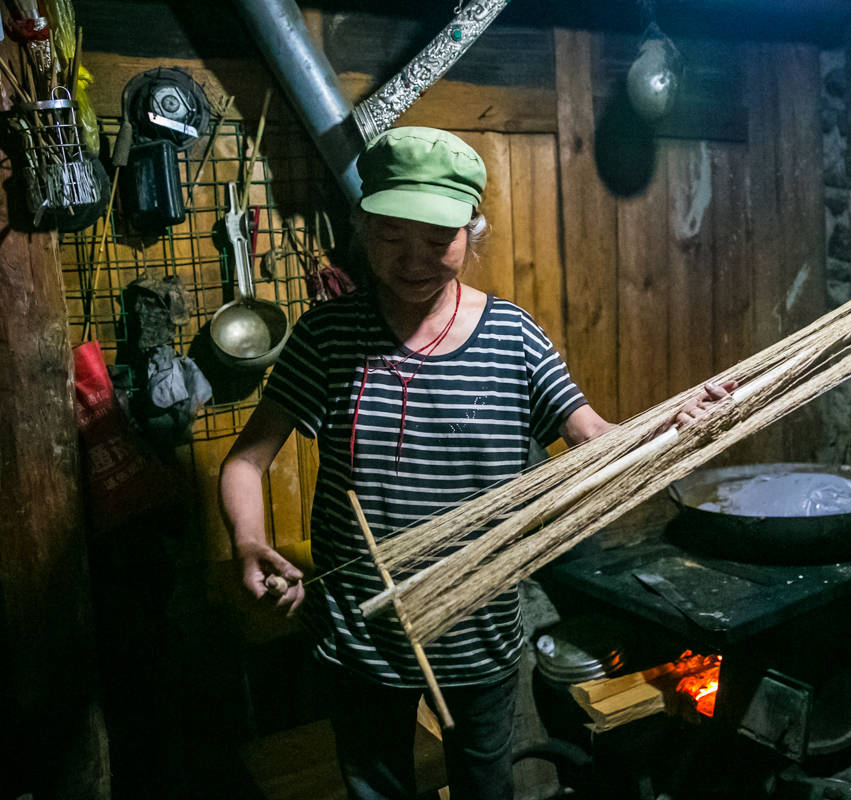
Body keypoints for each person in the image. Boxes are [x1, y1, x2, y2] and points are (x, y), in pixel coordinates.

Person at [219, 126, 731, 800]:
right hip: (360, 630)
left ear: (472, 233)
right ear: (361, 227)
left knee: (486, 785)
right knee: (378, 787)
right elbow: (246, 464)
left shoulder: (512, 337)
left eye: (438, 241)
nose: (413, 261)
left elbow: (593, 439)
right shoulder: (328, 336)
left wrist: (671, 426)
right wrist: (249, 542)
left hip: (478, 625)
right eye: (389, 238)